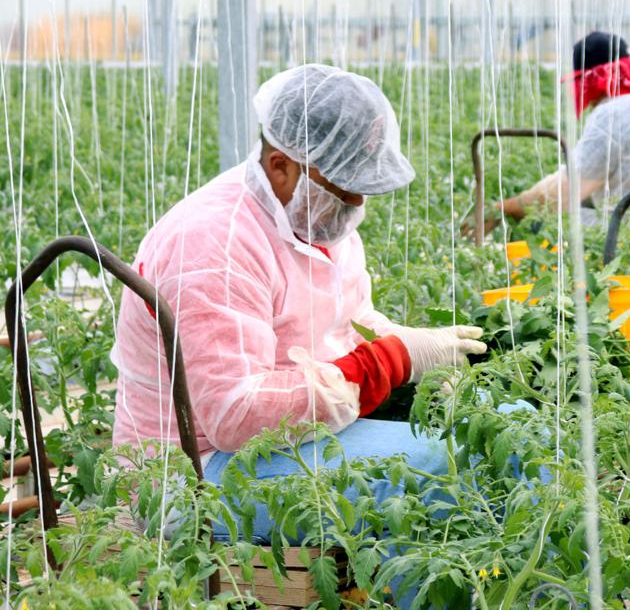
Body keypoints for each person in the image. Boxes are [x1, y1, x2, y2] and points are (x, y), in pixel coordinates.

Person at [110, 64, 489, 541]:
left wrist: (414, 350)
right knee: (439, 467)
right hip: (192, 476)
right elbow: (234, 414)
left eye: (361, 189)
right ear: (280, 166)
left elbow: (349, 321)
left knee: (502, 429)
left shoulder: (314, 220)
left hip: (286, 442)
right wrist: (387, 362)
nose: (354, 204)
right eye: (342, 187)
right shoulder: (213, 244)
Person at [481, 31, 630, 237]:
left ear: (588, 80)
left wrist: (506, 207)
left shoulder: (613, 113)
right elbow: (581, 175)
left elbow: (565, 192)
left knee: (543, 223)